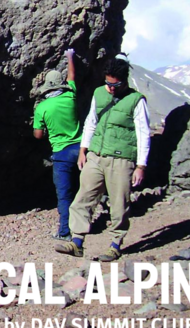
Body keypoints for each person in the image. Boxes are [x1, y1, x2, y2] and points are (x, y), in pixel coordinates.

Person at [55, 56, 150, 262]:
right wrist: (83, 150)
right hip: (96, 155)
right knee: (83, 198)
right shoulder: (99, 93)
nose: (111, 88)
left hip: (122, 159)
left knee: (118, 203)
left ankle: (115, 244)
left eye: (115, 84)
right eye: (108, 83)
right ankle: (77, 241)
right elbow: (91, 122)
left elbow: (143, 133)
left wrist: (141, 165)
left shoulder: (136, 101)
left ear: (125, 81)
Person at [33, 48, 82, 242]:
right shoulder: (71, 97)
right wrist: (70, 56)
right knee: (82, 189)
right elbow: (72, 76)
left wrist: (44, 128)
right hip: (80, 150)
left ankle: (65, 232)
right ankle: (84, 225)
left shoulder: (42, 107)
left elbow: (38, 135)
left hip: (61, 153)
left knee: (64, 194)